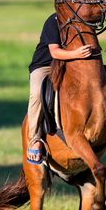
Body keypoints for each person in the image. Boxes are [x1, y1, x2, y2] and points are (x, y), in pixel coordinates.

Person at [27, 13, 92, 164]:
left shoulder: (84, 19)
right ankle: (35, 140)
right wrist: (77, 53)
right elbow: (55, 52)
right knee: (37, 93)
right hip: (46, 66)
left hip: (71, 64)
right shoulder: (53, 21)